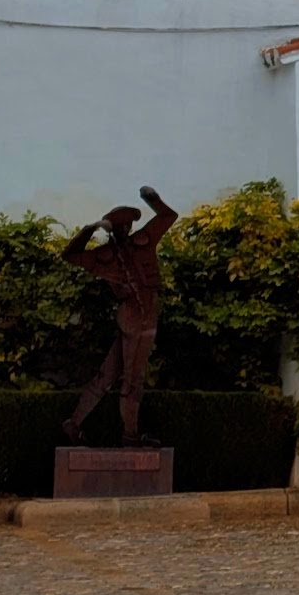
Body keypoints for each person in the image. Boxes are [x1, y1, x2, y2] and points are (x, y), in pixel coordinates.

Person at [60, 185, 182, 445]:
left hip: (146, 313)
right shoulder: (107, 256)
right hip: (135, 317)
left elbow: (168, 217)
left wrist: (153, 200)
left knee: (108, 374)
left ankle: (74, 423)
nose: (123, 230)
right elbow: (70, 255)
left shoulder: (144, 241)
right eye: (118, 226)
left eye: (126, 225)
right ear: (112, 230)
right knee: (133, 379)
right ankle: (130, 435)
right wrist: (90, 229)